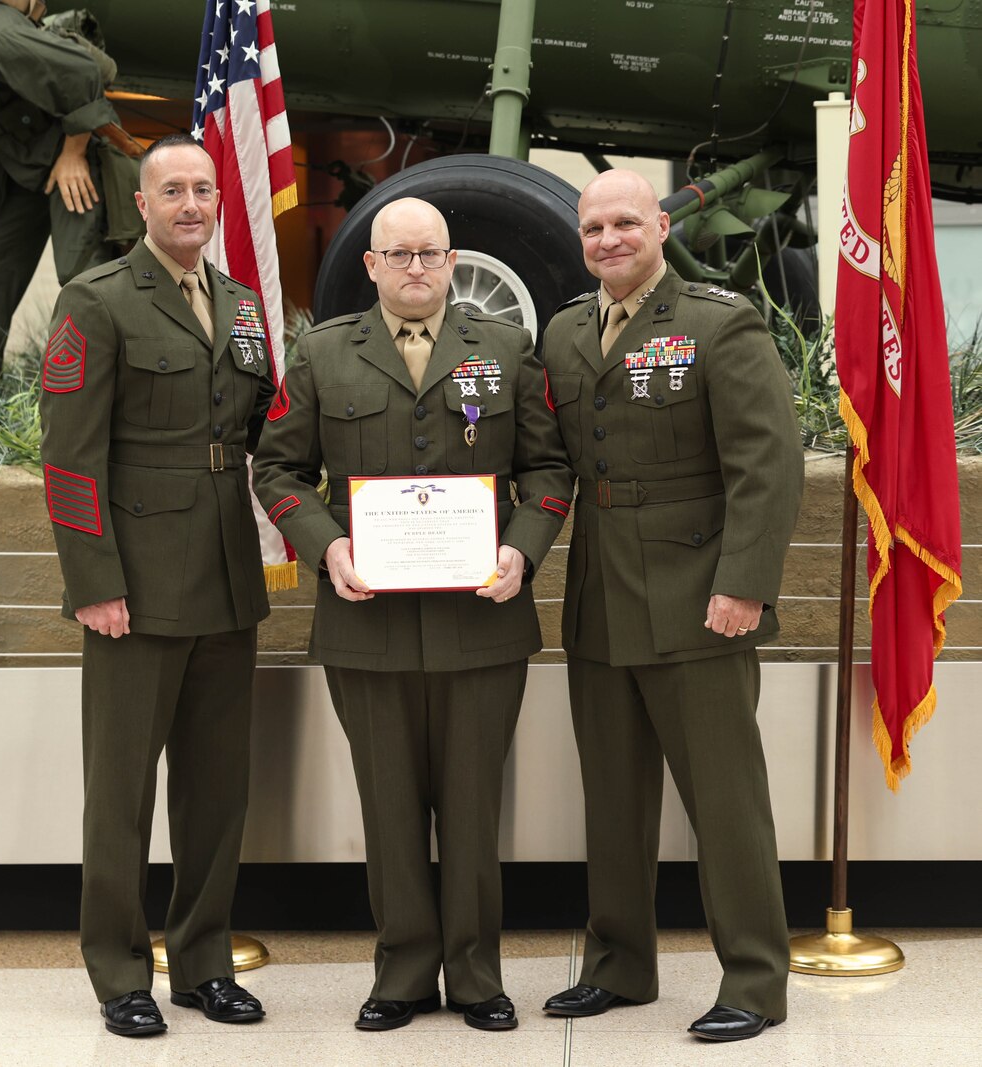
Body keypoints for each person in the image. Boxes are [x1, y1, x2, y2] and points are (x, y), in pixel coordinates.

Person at [251, 197, 574, 1033]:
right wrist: (327, 548)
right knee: (388, 803)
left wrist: (522, 549)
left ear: (453, 258)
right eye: (399, 255)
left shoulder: (504, 348)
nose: (417, 268)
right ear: (371, 265)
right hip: (368, 622)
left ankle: (474, 975)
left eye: (431, 253)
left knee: (472, 805)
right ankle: (399, 973)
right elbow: (279, 472)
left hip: (482, 619)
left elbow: (548, 468)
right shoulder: (323, 353)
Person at [540, 169, 803, 1042]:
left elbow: (766, 466)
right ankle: (619, 966)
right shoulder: (567, 330)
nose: (609, 239)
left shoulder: (718, 323)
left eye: (625, 222)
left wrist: (745, 585)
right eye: (593, 228)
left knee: (726, 802)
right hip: (601, 595)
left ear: (660, 226)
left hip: (699, 597)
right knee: (612, 799)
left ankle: (757, 980)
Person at [39, 133, 272, 1038]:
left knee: (219, 789)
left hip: (225, 575)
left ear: (219, 204)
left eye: (203, 190)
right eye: (171, 189)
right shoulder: (97, 300)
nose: (190, 204)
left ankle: (203, 962)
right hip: (133, 583)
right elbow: (69, 458)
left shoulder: (243, 306)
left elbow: (263, 434)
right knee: (123, 786)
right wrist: (93, 582)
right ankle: (118, 970)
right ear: (140, 204)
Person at [0, 0, 138, 391]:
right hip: (16, 167)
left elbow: (84, 73)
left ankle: (108, 404)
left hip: (72, 153)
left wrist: (73, 154)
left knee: (83, 277)